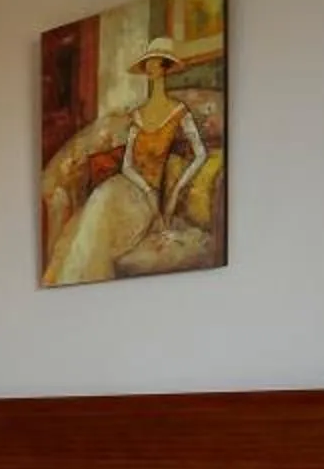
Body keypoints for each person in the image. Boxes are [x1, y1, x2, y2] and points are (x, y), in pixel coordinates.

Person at [41, 38, 217, 284]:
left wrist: (175, 191)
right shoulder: (138, 114)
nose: (150, 68)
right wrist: (143, 189)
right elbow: (126, 165)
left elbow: (200, 154)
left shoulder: (179, 111)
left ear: (165, 67)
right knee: (100, 201)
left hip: (148, 199)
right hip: (128, 185)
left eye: (154, 63)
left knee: (103, 212)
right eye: (147, 64)